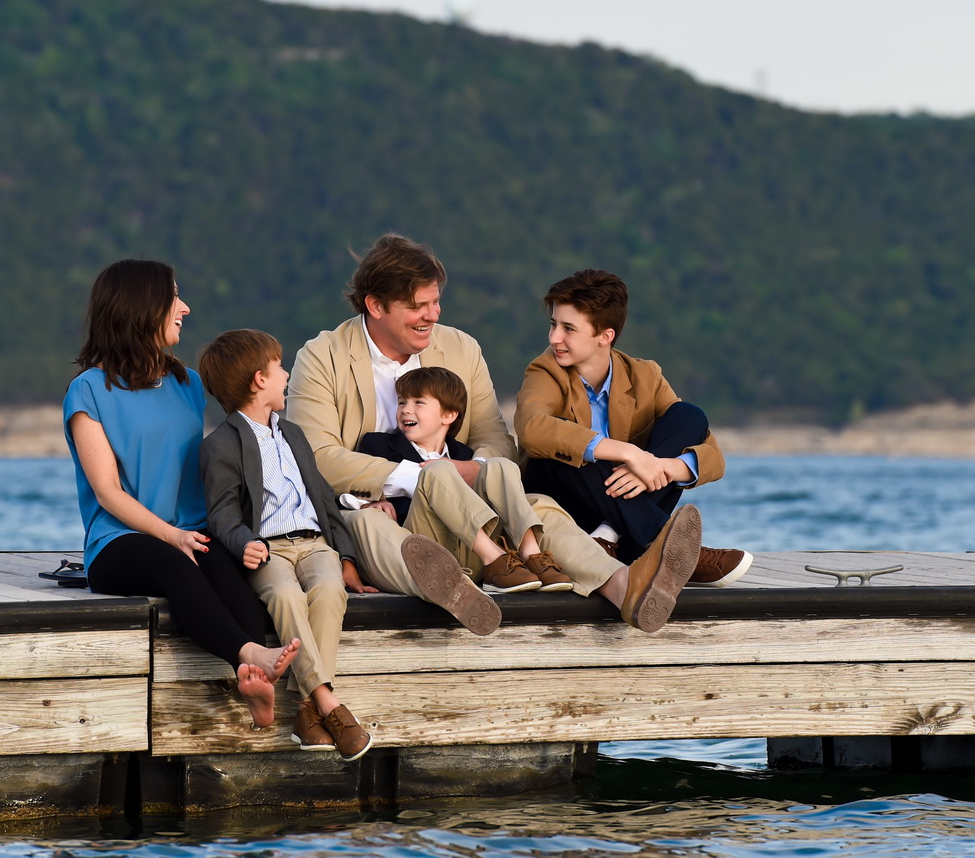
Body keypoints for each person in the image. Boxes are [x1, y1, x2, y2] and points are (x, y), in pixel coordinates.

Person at [287, 233, 703, 633]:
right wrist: (430, 476)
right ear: (376, 306)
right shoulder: (323, 357)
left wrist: (478, 470)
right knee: (366, 527)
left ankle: (623, 587)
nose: (434, 315)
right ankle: (459, 593)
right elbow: (317, 455)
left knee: (536, 506)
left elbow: (494, 436)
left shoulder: (461, 348)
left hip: (473, 515)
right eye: (420, 305)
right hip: (388, 514)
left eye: (436, 302)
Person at [63, 259, 300, 731]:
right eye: (175, 298)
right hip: (121, 541)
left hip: (192, 531)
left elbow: (239, 438)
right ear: (141, 308)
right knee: (178, 562)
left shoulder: (188, 383)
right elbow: (108, 492)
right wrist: (171, 535)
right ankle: (253, 655)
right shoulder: (88, 391)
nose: (185, 308)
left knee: (228, 570)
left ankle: (253, 679)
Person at [515, 269, 752, 587]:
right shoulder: (545, 370)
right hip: (562, 506)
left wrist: (660, 465)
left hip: (616, 519)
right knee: (577, 454)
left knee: (689, 417)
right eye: (553, 324)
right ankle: (676, 550)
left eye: (568, 328)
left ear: (605, 335)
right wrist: (628, 453)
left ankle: (608, 537)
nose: (554, 338)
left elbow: (713, 457)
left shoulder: (645, 375)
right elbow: (532, 428)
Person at [198, 329, 372, 761]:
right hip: (269, 549)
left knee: (330, 591)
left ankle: (307, 710)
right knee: (284, 595)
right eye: (280, 367)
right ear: (259, 380)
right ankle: (327, 703)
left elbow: (324, 498)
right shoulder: (220, 445)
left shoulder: (293, 433)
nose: (287, 373)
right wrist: (243, 544)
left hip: (315, 544)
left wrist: (346, 557)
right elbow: (221, 513)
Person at [356, 366, 574, 593]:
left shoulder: (465, 455)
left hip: (471, 549)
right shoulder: (378, 445)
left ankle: (531, 553)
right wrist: (372, 501)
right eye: (402, 402)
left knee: (500, 465)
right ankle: (495, 560)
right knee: (438, 471)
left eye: (418, 403)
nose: (406, 410)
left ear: (449, 415)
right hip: (425, 543)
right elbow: (356, 487)